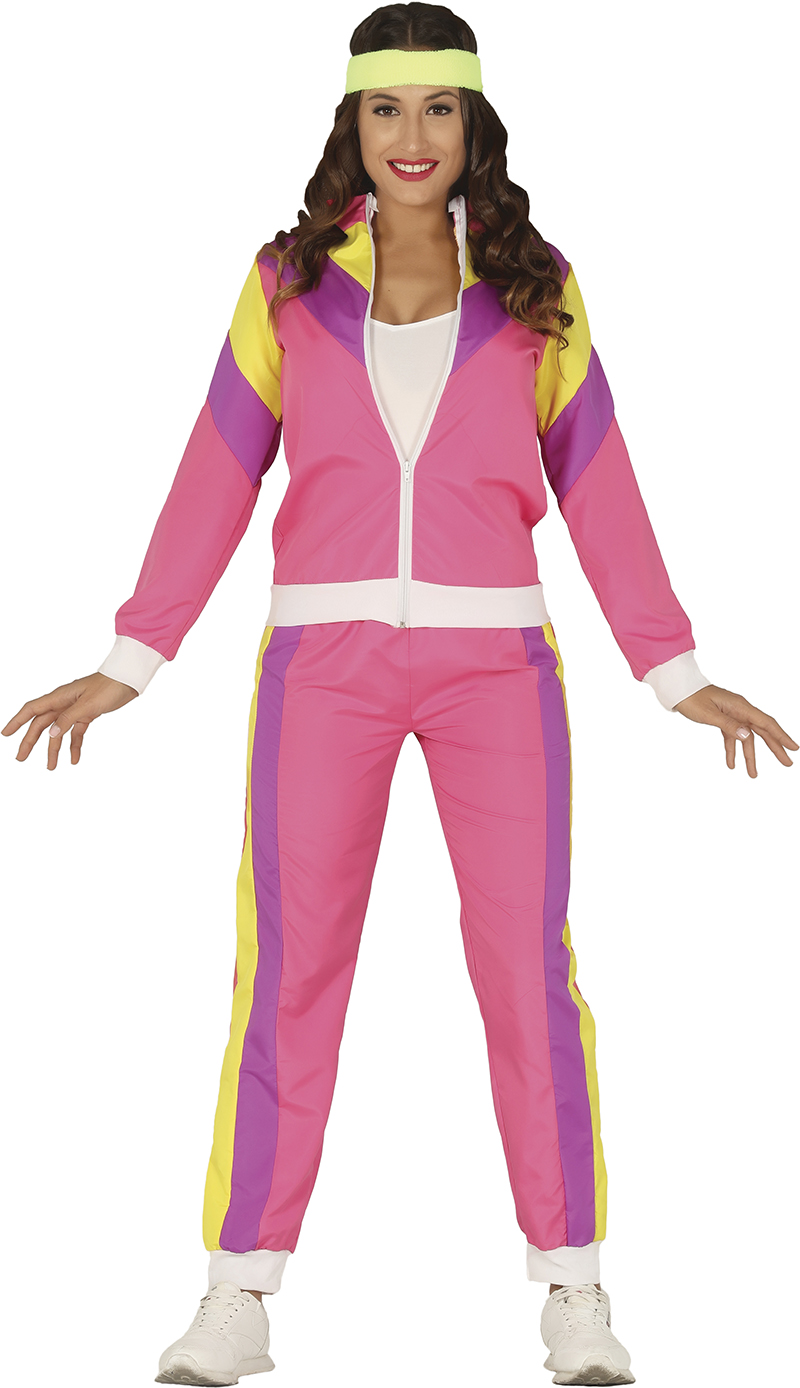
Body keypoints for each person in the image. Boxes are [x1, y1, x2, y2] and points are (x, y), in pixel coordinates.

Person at [3, 4, 797, 1385]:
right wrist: (136, 654)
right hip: (323, 667)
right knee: (288, 970)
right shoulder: (287, 281)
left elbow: (599, 476)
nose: (412, 136)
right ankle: (239, 1294)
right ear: (352, 122)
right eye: (387, 108)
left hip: (501, 668)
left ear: (474, 123)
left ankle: (574, 1286)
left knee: (527, 972)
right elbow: (217, 464)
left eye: (439, 108)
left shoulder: (537, 283)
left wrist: (673, 668)